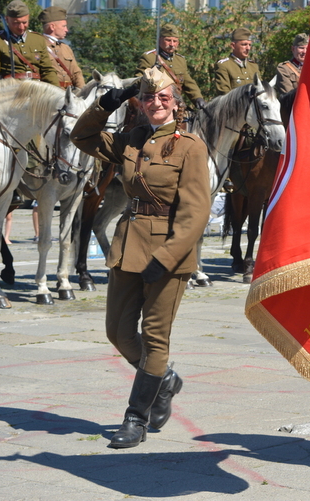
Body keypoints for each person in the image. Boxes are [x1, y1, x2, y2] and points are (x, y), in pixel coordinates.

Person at [71, 66, 211, 449]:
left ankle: (136, 418)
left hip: (169, 253)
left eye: (164, 97)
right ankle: (164, 380)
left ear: (176, 104)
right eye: (149, 97)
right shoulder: (131, 139)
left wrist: (166, 257)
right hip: (128, 245)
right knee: (116, 332)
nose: (156, 103)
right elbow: (81, 135)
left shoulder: (190, 147)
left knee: (154, 337)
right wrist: (109, 101)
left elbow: (196, 212)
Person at [0, 0, 60, 89]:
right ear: (7, 19)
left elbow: (47, 70)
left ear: (28, 18)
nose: (21, 27)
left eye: (24, 22)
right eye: (16, 23)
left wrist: (57, 92)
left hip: (37, 92)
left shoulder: (38, 39)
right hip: (11, 92)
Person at [135, 24, 205, 109]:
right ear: (159, 40)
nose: (172, 44)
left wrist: (197, 98)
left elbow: (188, 82)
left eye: (175, 41)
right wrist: (150, 76)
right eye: (168, 40)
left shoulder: (180, 60)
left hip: (175, 104)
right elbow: (137, 82)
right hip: (156, 105)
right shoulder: (149, 57)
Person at [39, 6, 85, 90]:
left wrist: (81, 93)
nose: (66, 30)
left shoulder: (65, 48)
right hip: (49, 95)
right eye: (64, 26)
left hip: (69, 95)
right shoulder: (38, 46)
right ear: (52, 27)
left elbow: (76, 73)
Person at [214, 27, 260, 95]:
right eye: (244, 44)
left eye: (249, 45)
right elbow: (224, 94)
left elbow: (260, 89)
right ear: (233, 46)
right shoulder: (224, 65)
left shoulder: (253, 66)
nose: (248, 48)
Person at [274, 32, 308, 98]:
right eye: (301, 48)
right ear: (293, 49)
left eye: (307, 48)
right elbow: (289, 95)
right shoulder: (284, 68)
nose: (304, 52)